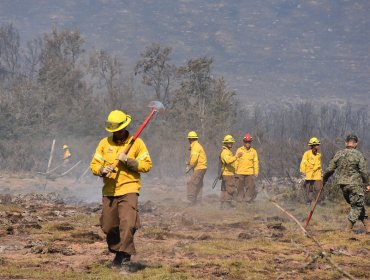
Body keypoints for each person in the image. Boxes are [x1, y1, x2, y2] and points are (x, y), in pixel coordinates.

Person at [90, 109, 152, 269]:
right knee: (108, 226)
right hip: (109, 190)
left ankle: (125, 256)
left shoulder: (137, 143)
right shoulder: (104, 143)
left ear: (125, 127)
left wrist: (127, 160)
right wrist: (101, 170)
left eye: (118, 129)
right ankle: (118, 251)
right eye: (113, 130)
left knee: (128, 223)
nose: (116, 133)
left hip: (129, 188)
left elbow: (146, 165)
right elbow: (94, 164)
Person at [323, 134, 370, 233]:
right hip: (355, 185)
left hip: (343, 186)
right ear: (356, 143)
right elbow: (363, 172)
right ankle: (347, 231)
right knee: (357, 206)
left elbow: (330, 169)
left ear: (346, 143)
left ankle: (368, 227)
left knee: (358, 205)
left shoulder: (339, 154)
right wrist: (367, 184)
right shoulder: (358, 154)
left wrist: (324, 179)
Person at [235, 133, 259, 202]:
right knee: (239, 187)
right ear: (244, 142)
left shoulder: (254, 152)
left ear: (251, 142)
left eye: (249, 142)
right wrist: (235, 171)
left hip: (250, 173)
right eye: (246, 141)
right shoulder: (239, 150)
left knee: (250, 187)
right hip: (240, 172)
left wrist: (256, 172)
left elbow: (256, 162)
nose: (247, 143)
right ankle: (239, 200)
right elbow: (236, 160)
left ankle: (247, 200)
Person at [186, 131, 207, 205]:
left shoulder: (195, 147)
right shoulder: (196, 146)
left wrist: (189, 166)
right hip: (202, 167)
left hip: (199, 168)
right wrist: (189, 162)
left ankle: (190, 200)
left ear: (190, 139)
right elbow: (194, 157)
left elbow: (194, 159)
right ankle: (198, 202)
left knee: (191, 183)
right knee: (198, 184)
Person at [300, 137, 323, 205]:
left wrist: (321, 173)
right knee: (309, 190)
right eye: (317, 145)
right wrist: (303, 173)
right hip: (309, 176)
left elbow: (319, 166)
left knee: (319, 189)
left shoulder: (318, 155)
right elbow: (303, 163)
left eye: (318, 145)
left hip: (317, 176)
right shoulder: (307, 154)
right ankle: (308, 203)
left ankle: (318, 203)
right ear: (312, 146)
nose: (318, 146)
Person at [220, 135, 237, 209]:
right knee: (230, 189)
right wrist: (237, 156)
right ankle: (227, 205)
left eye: (231, 142)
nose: (231, 144)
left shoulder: (227, 151)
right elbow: (228, 160)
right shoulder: (225, 152)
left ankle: (223, 205)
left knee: (224, 189)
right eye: (229, 142)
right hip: (228, 174)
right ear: (225, 143)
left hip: (227, 174)